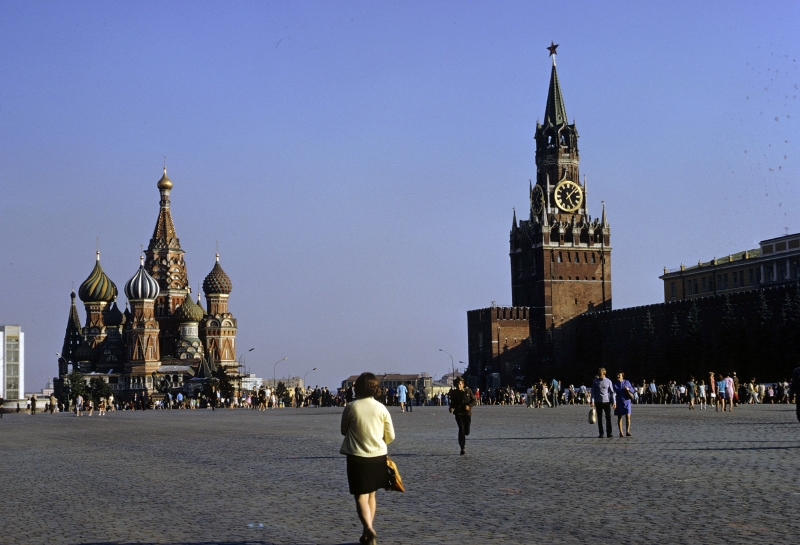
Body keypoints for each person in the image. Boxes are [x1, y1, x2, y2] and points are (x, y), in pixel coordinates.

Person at [340, 372, 395, 545]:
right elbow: (391, 436)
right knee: (372, 495)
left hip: (357, 457)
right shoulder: (381, 408)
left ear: (358, 388)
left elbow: (343, 430)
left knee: (360, 497)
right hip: (378, 456)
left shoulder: (351, 407)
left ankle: (368, 528)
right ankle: (366, 533)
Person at [448, 377, 477, 455]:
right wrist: (451, 407)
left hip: (467, 413)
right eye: (457, 384)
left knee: (466, 431)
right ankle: (462, 447)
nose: (459, 386)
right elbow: (453, 402)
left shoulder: (468, 391)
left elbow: (474, 400)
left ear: (463, 384)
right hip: (458, 413)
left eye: (460, 384)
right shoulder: (454, 393)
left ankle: (466, 432)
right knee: (461, 429)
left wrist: (469, 406)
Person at [591, 368, 616, 438]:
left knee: (608, 417)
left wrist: (614, 401)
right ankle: (601, 433)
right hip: (598, 402)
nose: (599, 373)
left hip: (606, 401)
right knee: (599, 418)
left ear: (604, 373)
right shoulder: (595, 381)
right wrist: (592, 401)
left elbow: (612, 392)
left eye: (601, 372)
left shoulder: (608, 381)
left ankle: (609, 432)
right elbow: (593, 392)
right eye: (599, 372)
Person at [613, 371, 634, 437]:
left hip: (626, 401)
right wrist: (613, 402)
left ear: (622, 376)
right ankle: (621, 432)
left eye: (619, 375)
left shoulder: (626, 382)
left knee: (628, 416)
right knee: (619, 417)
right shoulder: (614, 384)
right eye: (617, 375)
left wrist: (628, 389)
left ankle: (628, 431)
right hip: (618, 401)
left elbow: (632, 390)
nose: (618, 376)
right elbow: (612, 393)